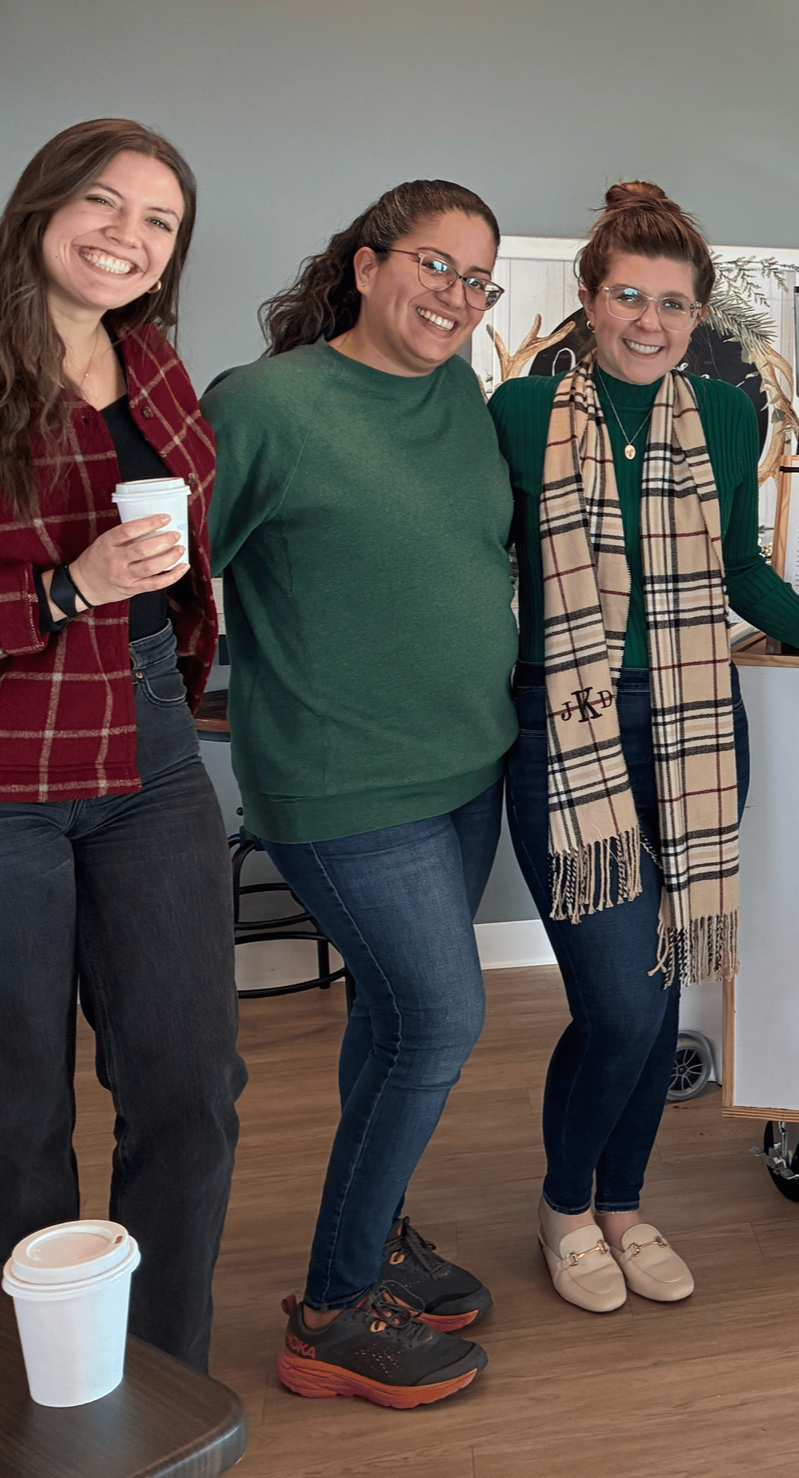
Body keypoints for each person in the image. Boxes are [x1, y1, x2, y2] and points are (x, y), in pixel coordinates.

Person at [489, 181, 799, 1314]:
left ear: (698, 315)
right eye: (628, 297)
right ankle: (564, 1207)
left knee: (662, 979)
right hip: (570, 726)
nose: (651, 321)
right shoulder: (520, 414)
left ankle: (625, 1206)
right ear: (588, 303)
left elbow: (739, 566)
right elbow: (476, 563)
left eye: (673, 303)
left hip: (691, 722)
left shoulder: (728, 419)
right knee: (621, 1007)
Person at [205, 180, 517, 1408]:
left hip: (462, 769)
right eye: (435, 266)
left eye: (477, 279)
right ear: (367, 265)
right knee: (439, 1020)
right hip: (342, 783)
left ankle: (377, 1230)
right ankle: (332, 1309)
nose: (455, 296)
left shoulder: (461, 396)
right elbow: (173, 568)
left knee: (388, 1022)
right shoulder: (266, 406)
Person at [0, 119, 242, 1371]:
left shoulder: (155, 362)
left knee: (189, 1092)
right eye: (105, 203)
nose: (128, 235)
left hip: (150, 751)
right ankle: (35, 1389)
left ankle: (161, 1375)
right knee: (7, 1117)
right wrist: (63, 591)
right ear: (43, 204)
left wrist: (182, 600)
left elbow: (185, 532)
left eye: (160, 221)